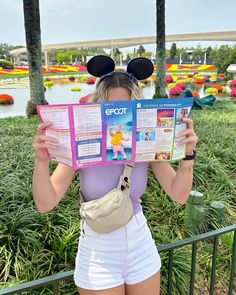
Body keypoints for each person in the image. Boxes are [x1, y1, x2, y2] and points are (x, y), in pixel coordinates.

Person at [32, 56, 198, 295]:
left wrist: (187, 155)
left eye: (127, 109)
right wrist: (41, 161)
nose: (119, 118)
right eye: (109, 109)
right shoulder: (82, 143)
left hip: (141, 243)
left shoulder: (145, 146)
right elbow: (45, 203)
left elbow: (179, 194)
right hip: (98, 251)